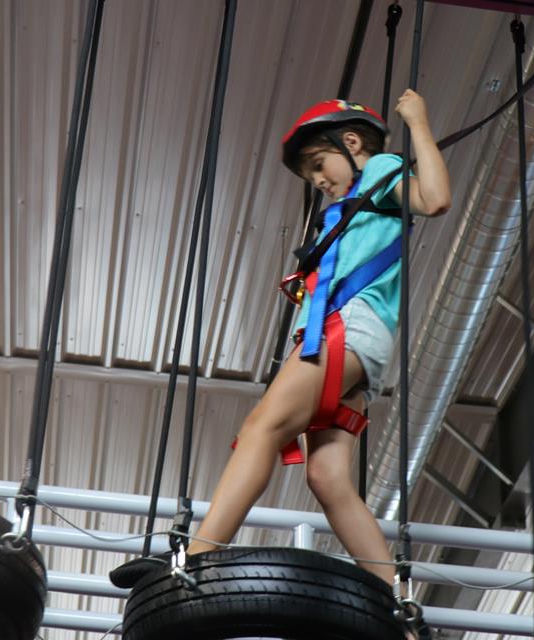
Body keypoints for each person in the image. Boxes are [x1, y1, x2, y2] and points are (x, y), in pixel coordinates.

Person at [113, 91, 451, 588]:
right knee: (327, 478)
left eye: (319, 164)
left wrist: (419, 123)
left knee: (260, 429)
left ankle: (196, 561)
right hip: (358, 341)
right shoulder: (354, 206)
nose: (318, 180)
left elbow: (436, 199)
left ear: (351, 141)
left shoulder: (379, 170)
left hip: (349, 330)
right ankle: (394, 601)